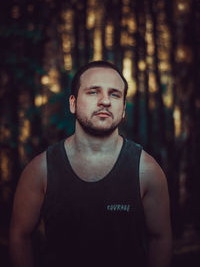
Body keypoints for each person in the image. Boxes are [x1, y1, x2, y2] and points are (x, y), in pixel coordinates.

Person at [9, 61, 172, 267]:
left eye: (114, 94)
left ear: (123, 109)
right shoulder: (40, 170)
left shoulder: (147, 171)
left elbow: (161, 239)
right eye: (93, 92)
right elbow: (19, 236)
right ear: (73, 103)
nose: (105, 101)